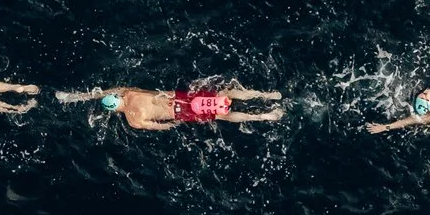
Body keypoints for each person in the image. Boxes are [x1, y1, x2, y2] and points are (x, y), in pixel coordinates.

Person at [54, 83, 285, 128]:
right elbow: (152, 93)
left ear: (113, 110)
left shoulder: (133, 120)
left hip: (180, 112)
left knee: (220, 116)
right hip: (178, 98)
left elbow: (160, 126)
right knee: (223, 95)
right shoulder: (129, 92)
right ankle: (266, 94)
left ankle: (264, 117)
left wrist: (173, 124)